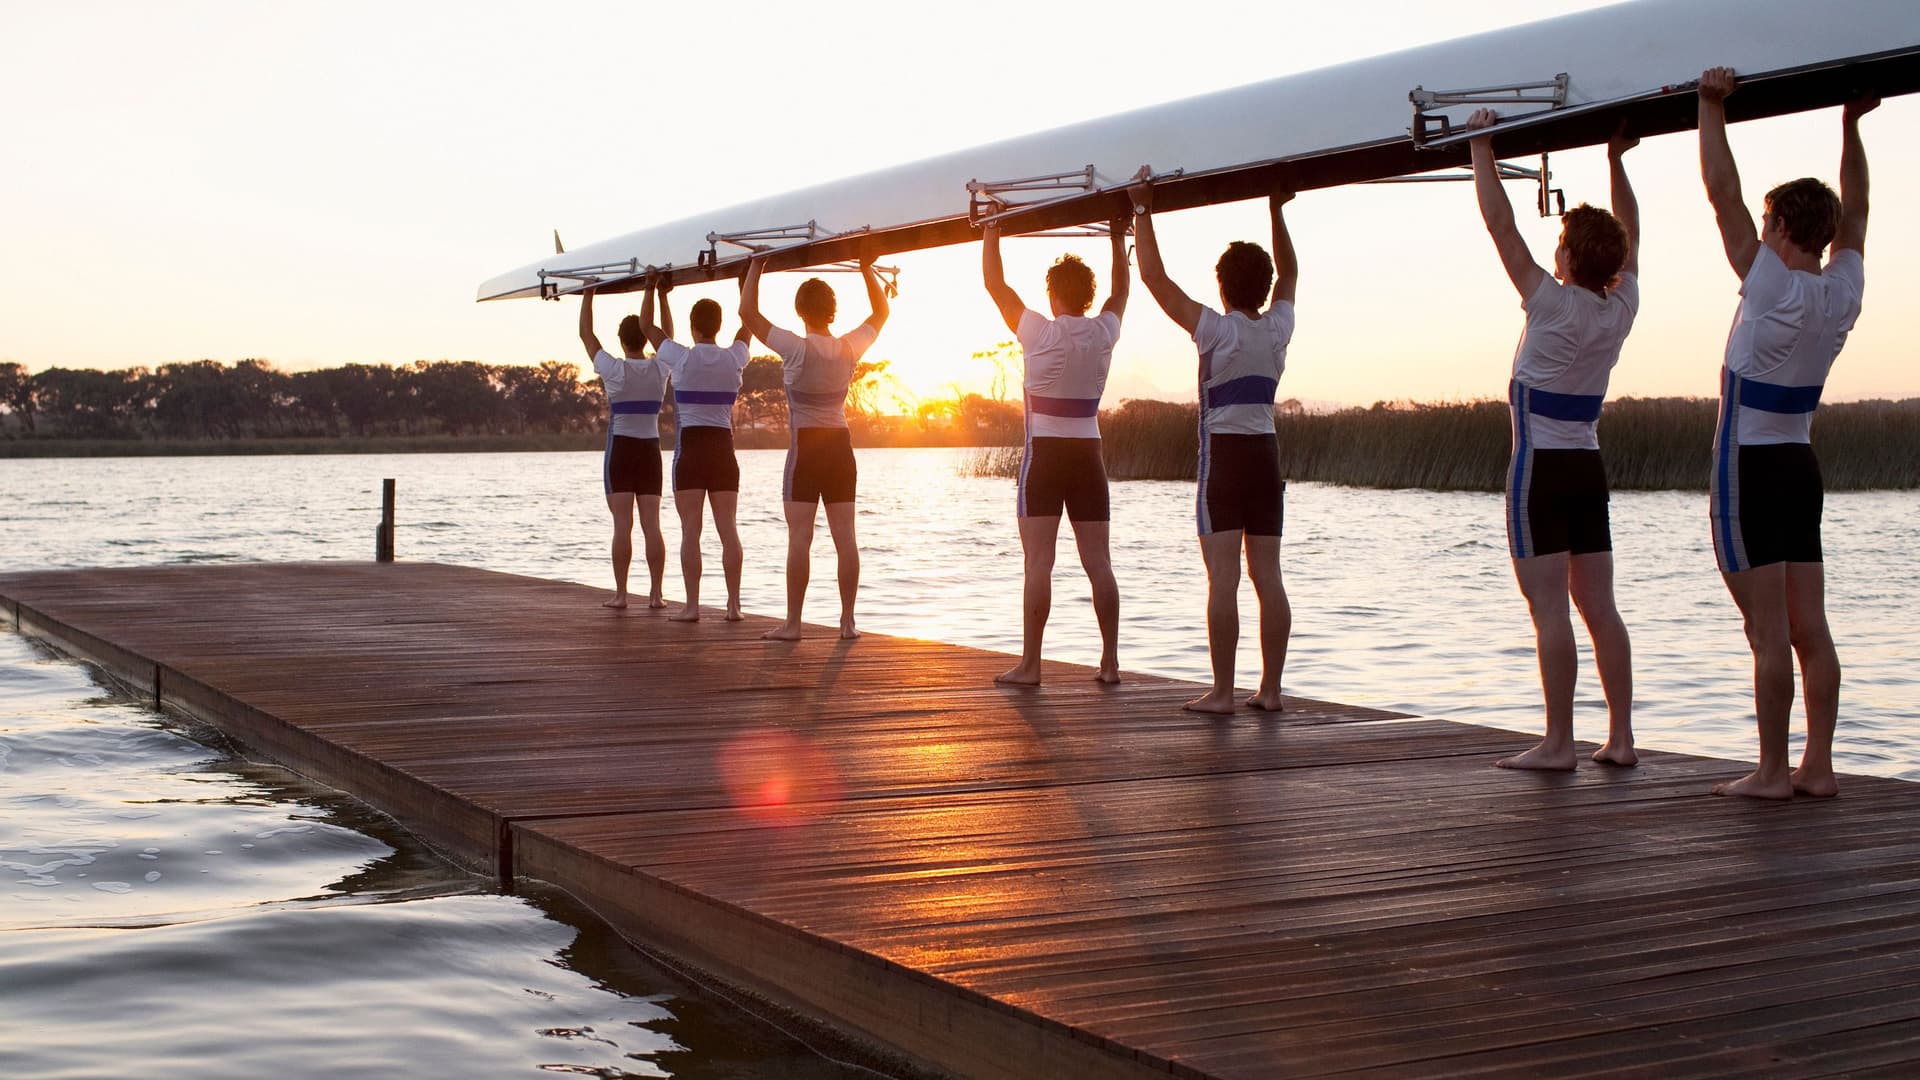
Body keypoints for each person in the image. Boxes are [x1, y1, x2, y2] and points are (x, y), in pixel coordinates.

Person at [1697, 67, 1875, 799]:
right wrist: (1851, 124)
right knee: (1811, 629)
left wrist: (1710, 107)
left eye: (1765, 224)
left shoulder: (1769, 283)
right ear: (1823, 235)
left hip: (1748, 471)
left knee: (1767, 632)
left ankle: (1772, 772)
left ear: (1776, 230)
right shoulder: (1842, 292)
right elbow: (1858, 210)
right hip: (1801, 468)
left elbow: (1720, 193)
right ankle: (1818, 767)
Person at [1464, 109, 1641, 771]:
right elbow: (1634, 241)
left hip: (1539, 473)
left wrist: (1481, 145)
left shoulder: (1548, 299)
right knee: (1600, 608)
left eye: (1560, 243)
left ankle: (1561, 743)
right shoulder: (1622, 306)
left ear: (1566, 258)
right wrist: (1616, 161)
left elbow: (1501, 225)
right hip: (1587, 470)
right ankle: (1620, 739)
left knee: (1549, 609)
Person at [1129, 175, 1296, 714]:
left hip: (1224, 461)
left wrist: (1141, 209)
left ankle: (1223, 693)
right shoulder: (1277, 328)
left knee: (1222, 579)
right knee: (1267, 576)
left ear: (1222, 289)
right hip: (1267, 458)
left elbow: (1153, 277)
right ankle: (1269, 691)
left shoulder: (1216, 331)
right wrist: (1278, 210)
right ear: (1264, 288)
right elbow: (1291, 273)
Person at [979, 219, 1128, 685]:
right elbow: (1120, 295)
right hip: (1089, 457)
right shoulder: (1104, 332)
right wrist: (1118, 238)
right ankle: (1109, 663)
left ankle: (1032, 665)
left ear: (1052, 295)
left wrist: (992, 229)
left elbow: (994, 283)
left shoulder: (1038, 332)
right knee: (1099, 562)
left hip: (1044, 456)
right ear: (1087, 296)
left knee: (1038, 562)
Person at [739, 254, 890, 641]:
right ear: (832, 311)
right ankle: (847, 623)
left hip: (806, 450)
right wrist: (866, 269)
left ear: (800, 311)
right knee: (846, 538)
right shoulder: (848, 348)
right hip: (841, 449)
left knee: (800, 538)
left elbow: (748, 313)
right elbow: (881, 313)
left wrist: (756, 266)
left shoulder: (795, 347)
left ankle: (793, 624)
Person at [638, 270, 753, 623]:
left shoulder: (681, 357)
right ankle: (734, 606)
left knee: (692, 530)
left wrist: (653, 289)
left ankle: (692, 606)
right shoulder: (735, 357)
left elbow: (646, 327)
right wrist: (745, 282)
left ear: (693, 326)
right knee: (728, 529)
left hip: (691, 451)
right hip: (723, 450)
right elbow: (748, 321)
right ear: (718, 326)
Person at [577, 282, 671, 610]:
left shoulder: (614, 369)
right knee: (652, 525)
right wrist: (660, 294)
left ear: (621, 341)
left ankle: (621, 594)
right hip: (649, 451)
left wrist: (588, 294)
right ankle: (656, 595)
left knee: (622, 525)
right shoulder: (661, 368)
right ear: (647, 338)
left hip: (621, 450)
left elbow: (587, 336)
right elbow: (668, 339)